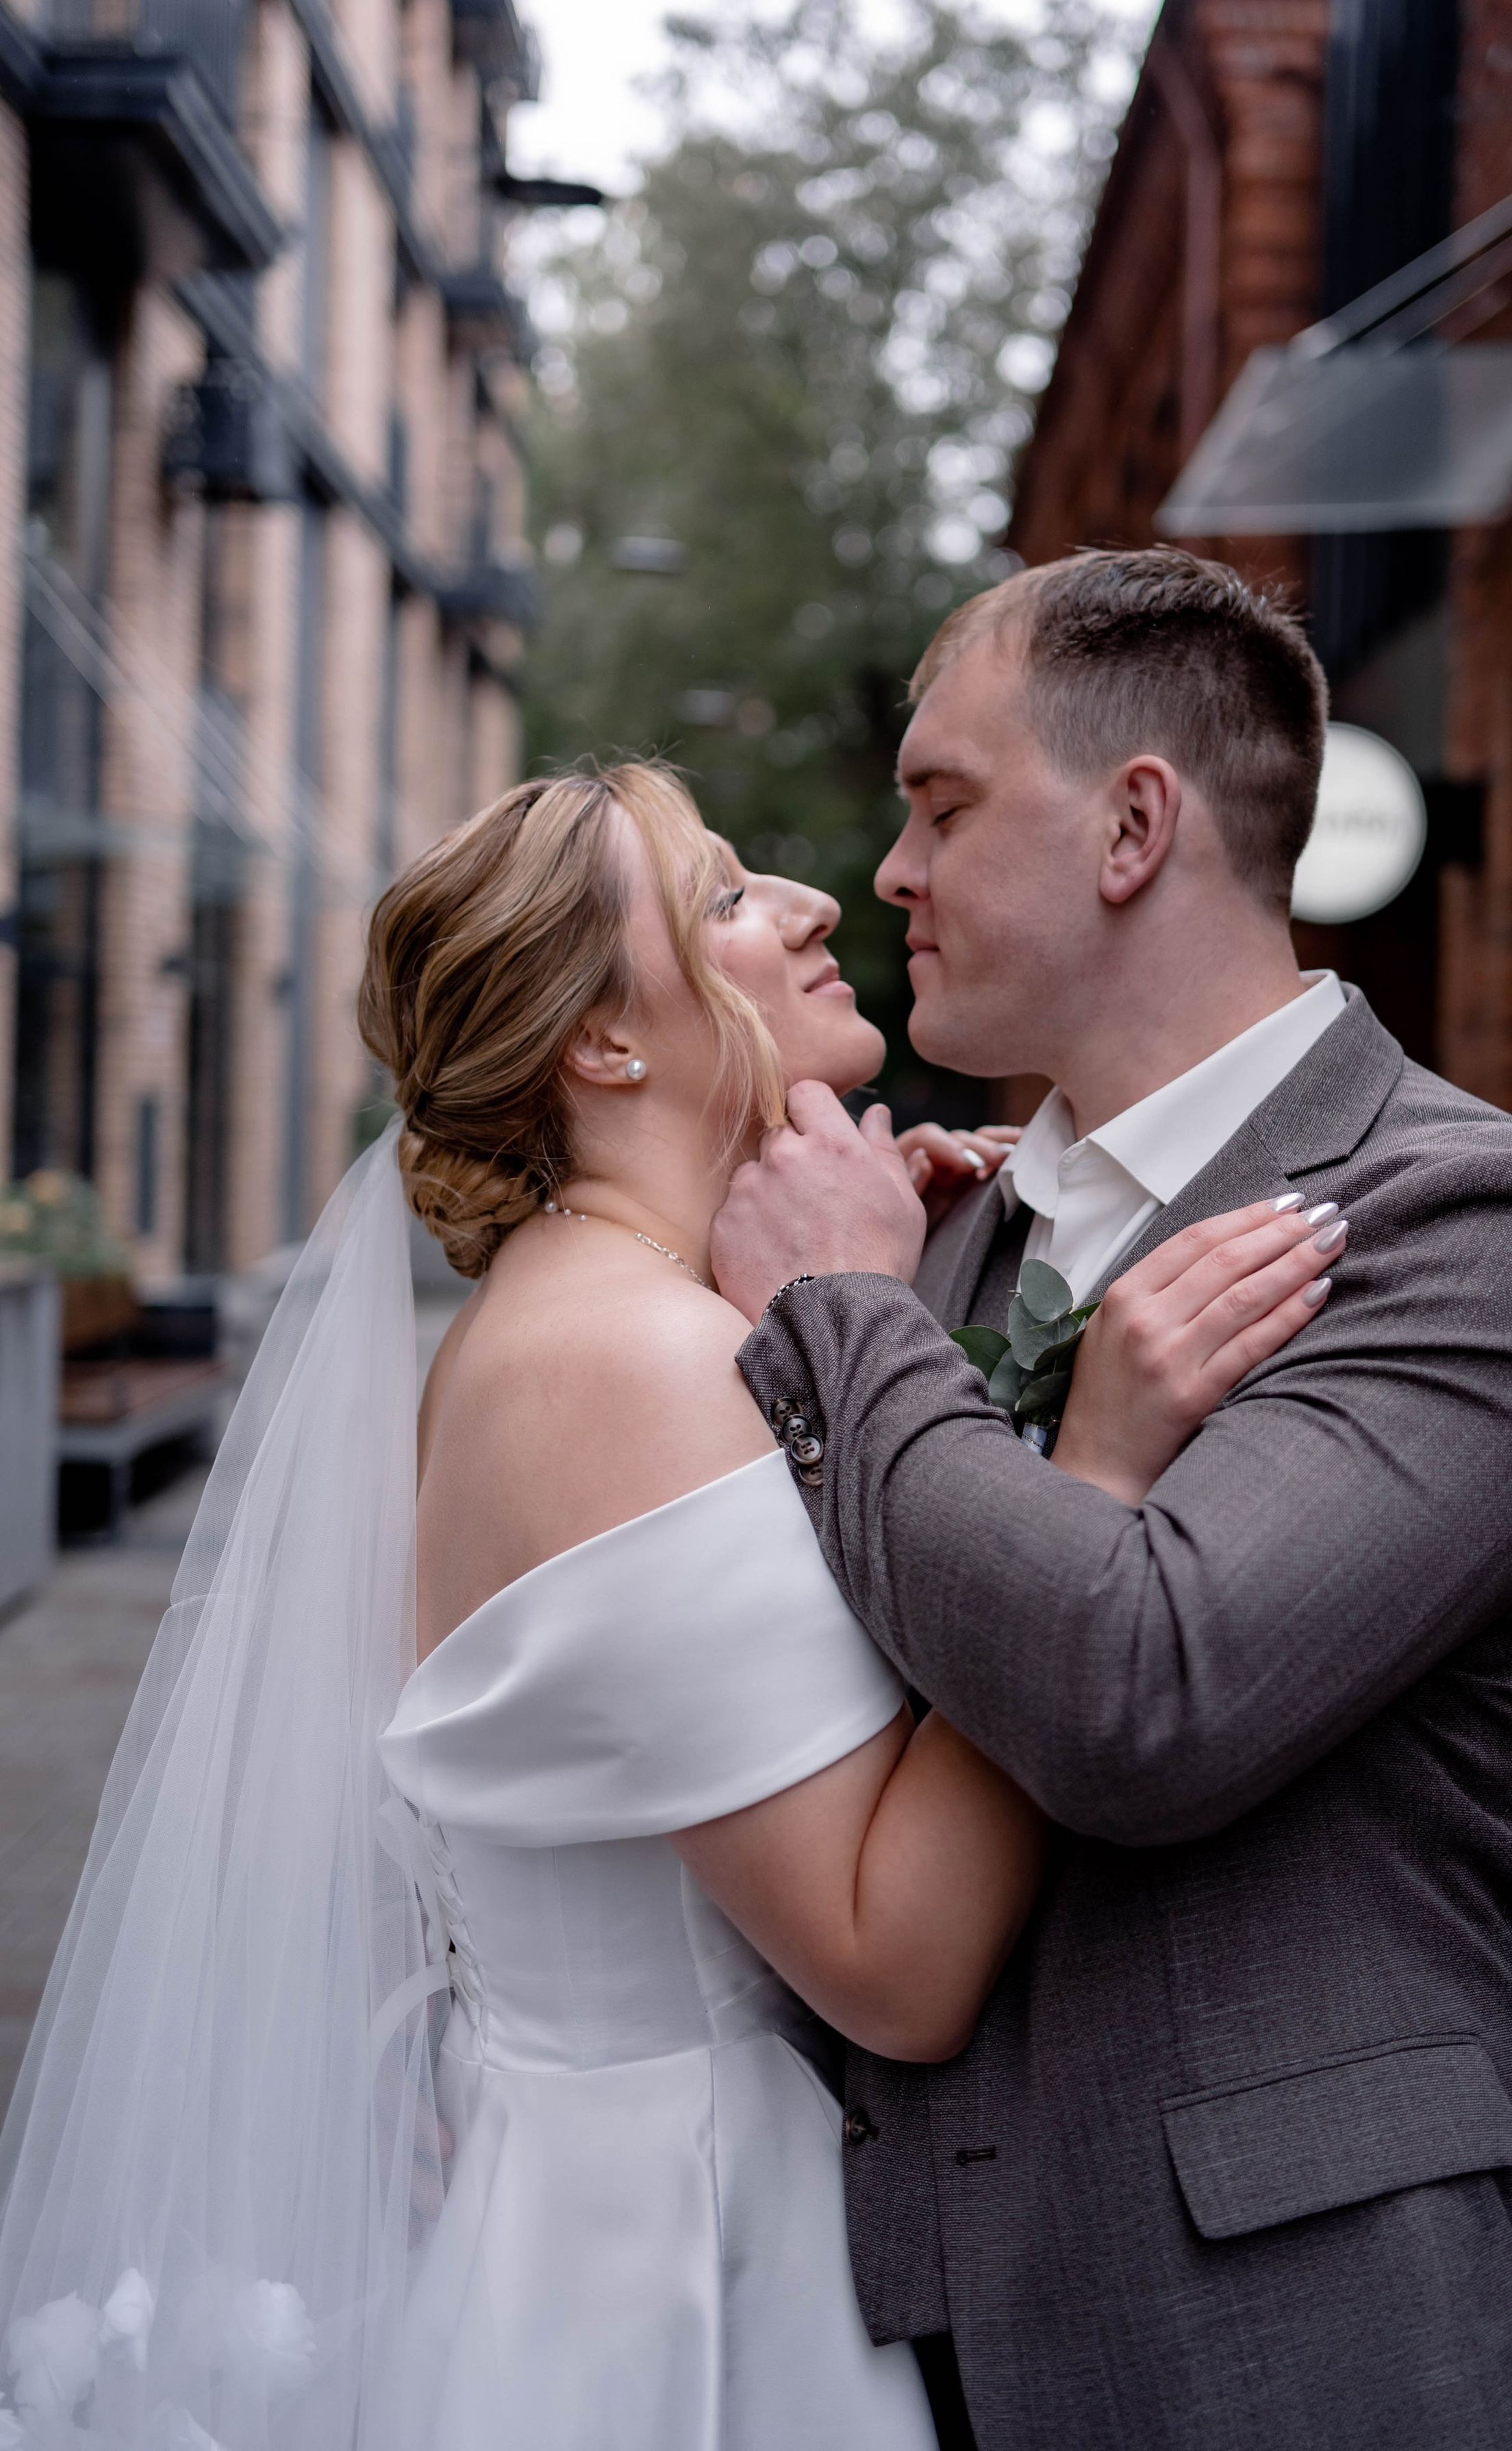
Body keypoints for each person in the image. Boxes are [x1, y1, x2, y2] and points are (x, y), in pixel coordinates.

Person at [0, 762, 1340, 2451]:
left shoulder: (611, 1316)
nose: (809, 905)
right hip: (680, 2261)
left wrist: (879, 1312)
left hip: (602, 2188)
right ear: (602, 1045)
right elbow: (892, 1966)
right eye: (720, 895)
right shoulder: (635, 1367)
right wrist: (1086, 1471)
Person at [711, 549, 1512, 2451]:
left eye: (943, 806)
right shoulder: (949, 1234)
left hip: (1305, 2337)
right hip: (908, 2329)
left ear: (1136, 826)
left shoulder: (1480, 1224)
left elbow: (1148, 1692)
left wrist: (837, 1316)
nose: (890, 874)